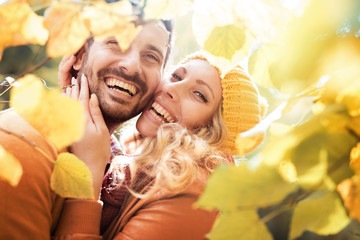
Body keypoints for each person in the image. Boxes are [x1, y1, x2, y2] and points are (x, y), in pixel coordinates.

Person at [53, 53, 267, 239]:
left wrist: (89, 170)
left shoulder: (192, 197)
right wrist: (81, 90)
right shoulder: (140, 169)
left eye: (199, 94)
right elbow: (103, 151)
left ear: (213, 132)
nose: (172, 89)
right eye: (176, 76)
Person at [0, 19, 173, 240]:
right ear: (80, 56)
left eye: (151, 56)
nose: (132, 65)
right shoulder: (23, 145)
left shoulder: (111, 163)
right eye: (116, 43)